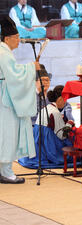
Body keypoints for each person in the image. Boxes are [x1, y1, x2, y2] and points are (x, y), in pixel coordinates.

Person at [0, 16, 40, 183]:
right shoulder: (3, 53)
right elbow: (15, 75)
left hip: (4, 94)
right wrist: (32, 67)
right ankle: (7, 172)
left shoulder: (3, 51)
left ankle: (4, 171)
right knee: (7, 133)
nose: (19, 41)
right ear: (7, 38)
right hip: (5, 99)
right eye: (16, 38)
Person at [19, 85, 74, 169]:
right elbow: (61, 135)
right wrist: (69, 123)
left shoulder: (45, 108)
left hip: (39, 143)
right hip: (49, 144)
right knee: (72, 142)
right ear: (60, 99)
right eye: (65, 100)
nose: (65, 103)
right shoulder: (55, 112)